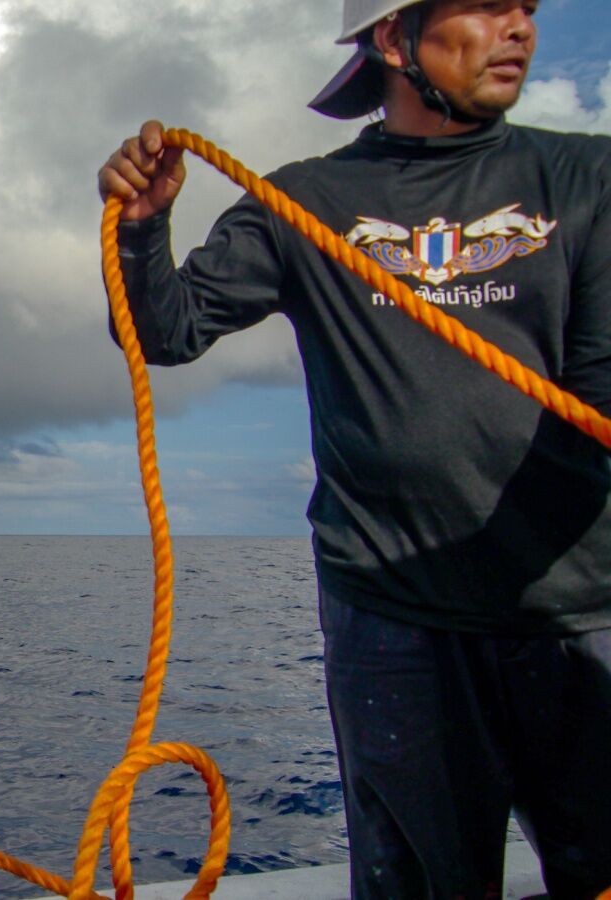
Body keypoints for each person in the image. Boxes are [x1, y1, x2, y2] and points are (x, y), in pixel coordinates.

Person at [96, 0, 611, 896]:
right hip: (394, 620)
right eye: (488, 5)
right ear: (391, 37)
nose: (521, 27)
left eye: (528, 7)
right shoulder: (308, 201)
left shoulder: (586, 176)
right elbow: (166, 331)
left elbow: (600, 392)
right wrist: (143, 227)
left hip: (579, 614)